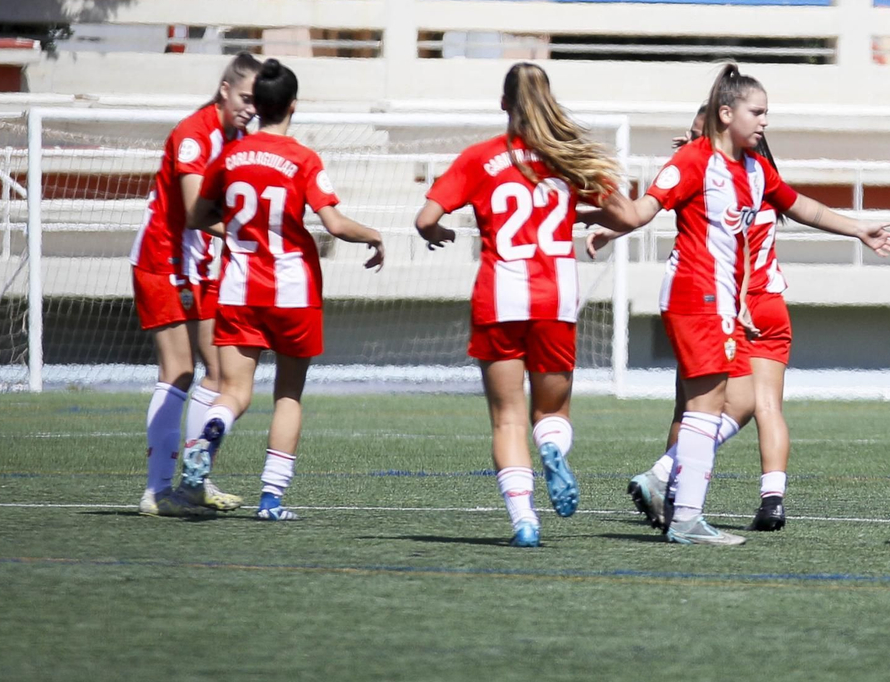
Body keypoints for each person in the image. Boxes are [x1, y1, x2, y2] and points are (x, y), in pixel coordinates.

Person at [597, 75, 890, 542]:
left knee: (735, 401)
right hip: (695, 296)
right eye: (756, 112)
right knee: (701, 407)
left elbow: (802, 207)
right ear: (726, 114)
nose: (764, 121)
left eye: (765, 113)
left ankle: (668, 488)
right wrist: (601, 208)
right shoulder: (693, 159)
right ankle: (685, 517)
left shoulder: (755, 169)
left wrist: (858, 228)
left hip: (724, 304)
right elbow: (642, 212)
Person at [413, 63, 641, 547]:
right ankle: (553, 451)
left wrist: (438, 231)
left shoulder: (480, 159)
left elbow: (425, 217)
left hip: (500, 294)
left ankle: (524, 520)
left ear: (503, 105)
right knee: (551, 412)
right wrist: (581, 214)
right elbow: (627, 214)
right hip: (555, 294)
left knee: (507, 417)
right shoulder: (567, 157)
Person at [178, 59, 385, 520]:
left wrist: (233, 230)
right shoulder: (302, 159)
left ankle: (211, 430)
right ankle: (271, 500)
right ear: (293, 105)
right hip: (292, 290)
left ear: (258, 105)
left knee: (232, 390)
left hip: (238, 288)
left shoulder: (228, 156)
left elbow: (195, 215)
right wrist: (372, 234)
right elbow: (333, 223)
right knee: (288, 396)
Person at [128, 52, 260, 517]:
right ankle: (156, 491)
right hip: (162, 260)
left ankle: (194, 481)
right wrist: (252, 231)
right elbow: (191, 210)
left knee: (221, 374)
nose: (250, 106)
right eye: (245, 96)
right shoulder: (193, 134)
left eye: (257, 100)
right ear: (225, 90)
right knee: (178, 372)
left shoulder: (241, 137)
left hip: (203, 266)